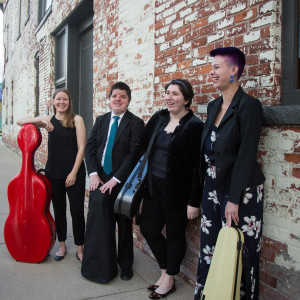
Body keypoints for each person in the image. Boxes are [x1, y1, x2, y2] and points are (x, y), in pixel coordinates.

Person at [194, 47, 265, 300]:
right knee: (210, 248)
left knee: (240, 251)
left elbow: (246, 157)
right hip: (212, 186)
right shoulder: (213, 105)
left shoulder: (249, 106)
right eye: (211, 67)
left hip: (242, 190)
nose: (211, 72)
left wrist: (234, 199)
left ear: (234, 71)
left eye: (216, 67)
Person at [132, 79, 203, 299]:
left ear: (187, 99)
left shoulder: (194, 126)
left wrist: (193, 201)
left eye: (175, 94)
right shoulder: (159, 117)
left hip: (178, 193)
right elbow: (141, 147)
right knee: (149, 229)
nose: (169, 97)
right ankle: (165, 271)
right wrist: (121, 176)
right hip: (153, 187)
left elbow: (197, 167)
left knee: (174, 235)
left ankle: (170, 277)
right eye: (167, 93)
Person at [82, 81, 144, 283]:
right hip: (99, 180)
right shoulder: (101, 121)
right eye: (115, 96)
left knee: (124, 225)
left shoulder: (135, 123)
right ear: (109, 100)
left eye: (123, 97)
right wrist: (92, 173)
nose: (118, 99)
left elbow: (134, 154)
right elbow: (90, 148)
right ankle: (103, 263)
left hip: (122, 183)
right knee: (101, 224)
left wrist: (116, 179)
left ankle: (125, 265)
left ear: (128, 101)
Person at [17, 88, 86, 262]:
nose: (62, 102)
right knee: (59, 211)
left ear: (69, 102)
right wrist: (40, 119)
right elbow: (20, 121)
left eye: (65, 99)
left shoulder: (77, 120)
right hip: (54, 173)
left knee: (77, 211)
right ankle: (62, 247)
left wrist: (73, 172)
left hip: (74, 173)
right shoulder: (48, 120)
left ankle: (80, 248)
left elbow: (82, 148)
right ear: (53, 102)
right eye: (58, 99)